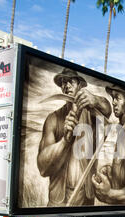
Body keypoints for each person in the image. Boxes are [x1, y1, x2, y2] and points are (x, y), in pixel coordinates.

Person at [37, 68, 112, 206]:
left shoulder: (92, 115)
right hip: (60, 200)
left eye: (71, 81)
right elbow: (43, 167)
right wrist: (65, 140)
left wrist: (95, 100)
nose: (67, 85)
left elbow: (107, 109)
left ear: (79, 85)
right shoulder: (53, 119)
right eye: (63, 82)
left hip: (86, 197)